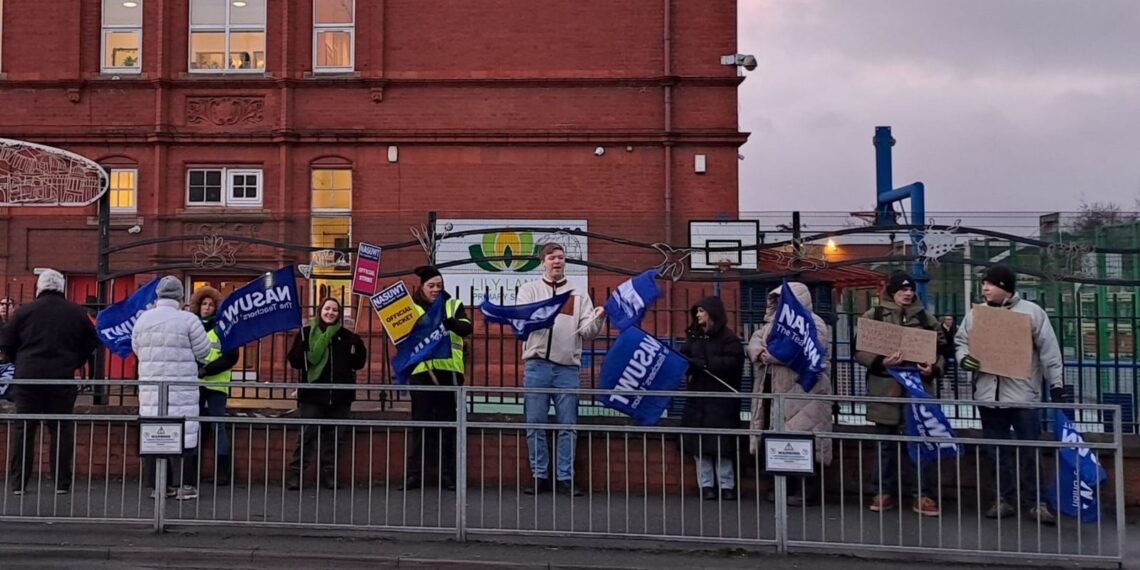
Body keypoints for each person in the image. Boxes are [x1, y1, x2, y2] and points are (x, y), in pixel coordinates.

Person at [956, 265, 1064, 525]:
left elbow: (1049, 349)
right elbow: (961, 341)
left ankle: (1035, 501)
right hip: (988, 396)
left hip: (1023, 395)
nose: (984, 288)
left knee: (1030, 451)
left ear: (1005, 286)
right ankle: (1002, 499)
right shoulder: (976, 315)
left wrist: (1057, 384)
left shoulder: (1032, 313)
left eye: (990, 284)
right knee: (996, 452)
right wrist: (964, 360)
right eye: (984, 284)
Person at [854, 271, 946, 517]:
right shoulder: (875, 316)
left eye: (910, 289)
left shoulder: (927, 318)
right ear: (892, 292)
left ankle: (923, 494)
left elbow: (942, 350)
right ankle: (882, 491)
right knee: (885, 445)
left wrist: (933, 368)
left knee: (921, 443)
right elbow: (860, 350)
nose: (908, 293)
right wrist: (881, 362)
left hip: (918, 391)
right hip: (886, 390)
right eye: (902, 289)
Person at [0, 270, 99, 495]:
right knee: (61, 429)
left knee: (24, 429)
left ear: (39, 288)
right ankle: (62, 483)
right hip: (61, 375)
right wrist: (74, 361)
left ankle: (18, 483)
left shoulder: (24, 312)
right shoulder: (77, 313)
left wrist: (21, 361)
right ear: (62, 287)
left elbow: (6, 342)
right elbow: (91, 343)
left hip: (28, 377)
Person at [517, 242, 604, 497]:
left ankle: (565, 477)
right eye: (552, 258)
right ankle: (538, 475)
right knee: (535, 424)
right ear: (542, 262)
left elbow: (587, 332)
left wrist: (598, 319)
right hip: (537, 366)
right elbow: (523, 323)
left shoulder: (578, 293)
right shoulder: (529, 290)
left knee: (568, 425)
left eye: (561, 258)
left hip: (567, 368)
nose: (557, 262)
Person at [748, 283, 833, 505]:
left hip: (805, 394)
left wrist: (774, 356)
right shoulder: (770, 324)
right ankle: (781, 488)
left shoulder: (814, 323)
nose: (778, 304)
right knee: (777, 441)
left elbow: (808, 349)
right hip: (773, 391)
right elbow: (755, 340)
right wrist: (759, 353)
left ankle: (806, 491)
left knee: (806, 441)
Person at [132, 276, 211, 500]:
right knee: (185, 434)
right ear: (180, 297)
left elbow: (136, 348)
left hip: (151, 389)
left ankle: (157, 486)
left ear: (158, 295)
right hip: (182, 388)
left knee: (153, 433)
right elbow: (204, 351)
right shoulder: (188, 320)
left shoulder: (143, 319)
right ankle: (184, 485)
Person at [400, 266, 472, 492]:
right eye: (431, 286)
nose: (435, 290)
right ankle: (414, 475)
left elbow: (466, 328)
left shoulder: (453, 305)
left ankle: (448, 475)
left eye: (438, 286)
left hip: (449, 374)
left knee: (448, 427)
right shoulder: (411, 309)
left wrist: (450, 322)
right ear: (422, 287)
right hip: (422, 373)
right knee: (420, 425)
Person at [286, 297, 367, 491]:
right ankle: (296, 473)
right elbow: (296, 362)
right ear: (320, 310)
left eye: (335, 310)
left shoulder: (347, 336)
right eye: (327, 309)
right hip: (313, 396)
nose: (330, 313)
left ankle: (329, 474)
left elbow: (357, 364)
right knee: (307, 435)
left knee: (335, 439)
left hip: (340, 396)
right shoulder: (306, 333)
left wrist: (359, 348)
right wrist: (301, 350)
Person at [679, 295, 744, 501]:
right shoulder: (694, 338)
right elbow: (683, 358)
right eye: (696, 311)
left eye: (701, 311)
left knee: (722, 445)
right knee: (700, 445)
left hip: (721, 400)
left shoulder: (729, 338)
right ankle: (705, 484)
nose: (697, 315)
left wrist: (708, 363)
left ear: (712, 313)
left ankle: (727, 485)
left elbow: (734, 363)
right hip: (698, 399)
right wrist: (691, 363)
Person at [189, 286, 239, 487]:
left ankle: (222, 474)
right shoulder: (192, 326)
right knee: (195, 427)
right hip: (195, 385)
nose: (207, 307)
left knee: (218, 427)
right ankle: (192, 473)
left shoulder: (223, 328)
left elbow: (231, 356)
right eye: (204, 304)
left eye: (211, 304)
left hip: (217, 384)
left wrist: (207, 370)